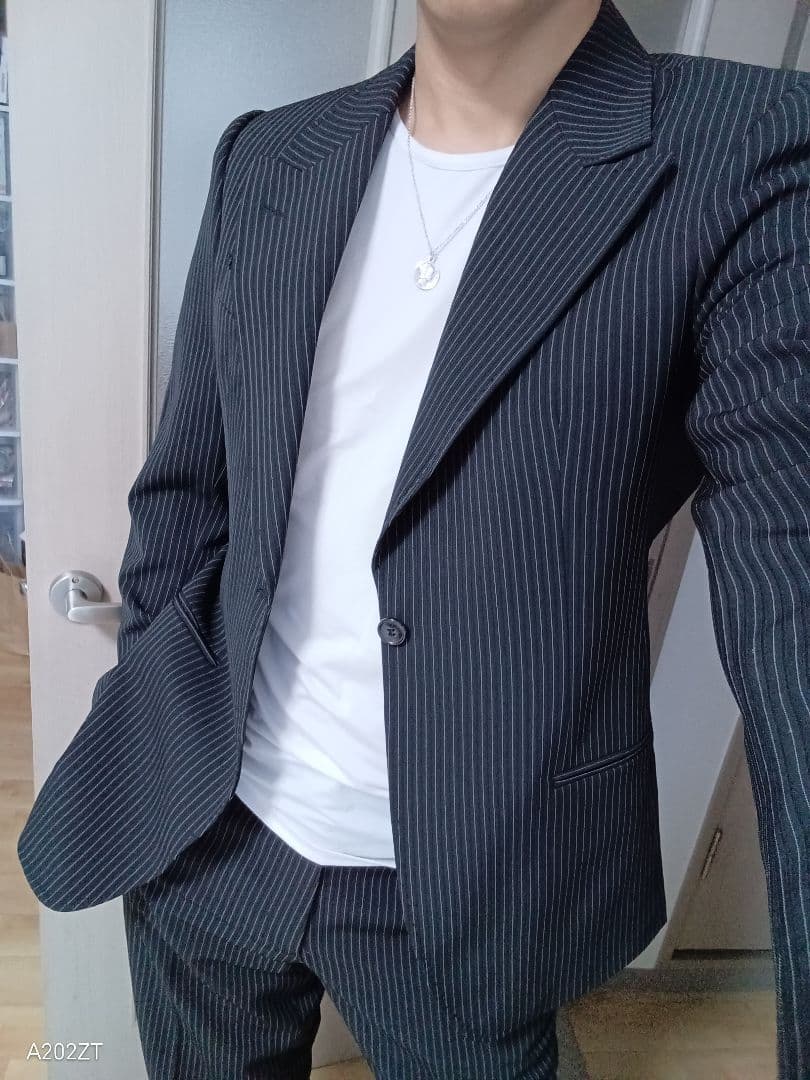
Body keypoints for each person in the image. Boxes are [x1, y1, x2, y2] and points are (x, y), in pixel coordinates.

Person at [17, 0, 810, 1076]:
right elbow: (186, 493)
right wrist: (155, 696)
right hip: (207, 832)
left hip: (475, 887)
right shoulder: (271, 154)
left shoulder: (747, 152)